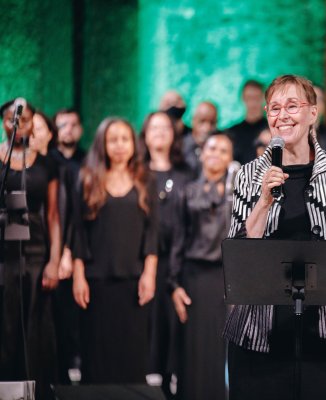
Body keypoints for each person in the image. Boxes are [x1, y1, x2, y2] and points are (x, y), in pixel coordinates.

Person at [224, 74, 326, 400]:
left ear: (312, 113)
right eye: (275, 108)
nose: (282, 115)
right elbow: (239, 255)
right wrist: (263, 201)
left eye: (292, 105)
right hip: (262, 328)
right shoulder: (249, 175)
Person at [71, 117, 158, 384]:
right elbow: (78, 232)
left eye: (124, 139)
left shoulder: (146, 179)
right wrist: (78, 276)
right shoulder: (87, 179)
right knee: (96, 355)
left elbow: (152, 232)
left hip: (133, 281)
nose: (119, 145)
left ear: (133, 144)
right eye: (113, 139)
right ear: (103, 144)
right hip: (96, 281)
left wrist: (149, 274)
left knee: (132, 356)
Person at [0, 99, 61, 399]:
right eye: (11, 119)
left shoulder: (47, 163)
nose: (17, 124)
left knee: (34, 325)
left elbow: (53, 215)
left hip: (36, 252)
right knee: (6, 323)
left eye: (23, 120)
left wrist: (54, 260)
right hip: (3, 254)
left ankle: (35, 390)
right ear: (3, 123)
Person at [169, 133, 235, 400]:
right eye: (212, 148)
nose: (216, 154)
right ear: (202, 153)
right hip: (194, 277)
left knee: (219, 349)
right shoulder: (187, 191)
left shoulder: (236, 194)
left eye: (223, 150)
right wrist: (174, 284)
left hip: (224, 278)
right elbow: (178, 239)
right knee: (193, 350)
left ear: (230, 158)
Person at [139, 111, 193, 398]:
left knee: (171, 334)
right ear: (145, 134)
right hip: (140, 265)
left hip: (175, 267)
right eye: (153, 127)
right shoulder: (134, 172)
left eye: (165, 128)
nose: (159, 132)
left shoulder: (186, 174)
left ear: (174, 135)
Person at [50, 108, 87, 384]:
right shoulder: (48, 162)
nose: (68, 129)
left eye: (73, 124)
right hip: (53, 247)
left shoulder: (89, 162)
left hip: (82, 246)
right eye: (63, 124)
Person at [227, 80, 268, 165]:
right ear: (243, 98)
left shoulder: (272, 129)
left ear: (263, 99)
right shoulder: (232, 133)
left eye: (256, 98)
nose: (253, 103)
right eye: (249, 98)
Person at [182, 101, 218, 173]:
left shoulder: (218, 150)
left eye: (212, 123)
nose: (207, 128)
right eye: (202, 121)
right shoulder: (180, 147)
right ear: (193, 121)